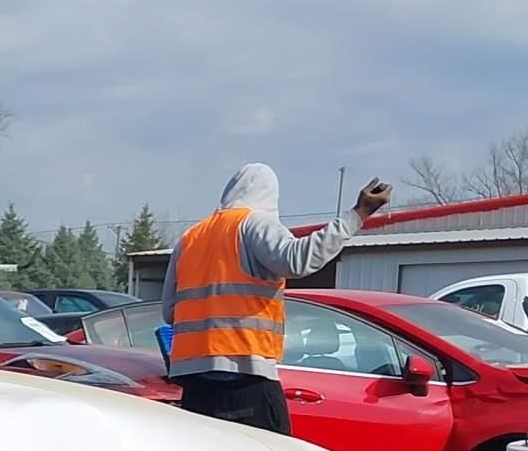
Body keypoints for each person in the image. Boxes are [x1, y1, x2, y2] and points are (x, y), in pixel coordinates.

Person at [164, 164, 391, 432]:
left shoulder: (191, 238)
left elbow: (170, 312)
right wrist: (358, 214)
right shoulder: (254, 223)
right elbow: (296, 260)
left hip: (195, 383)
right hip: (245, 373)